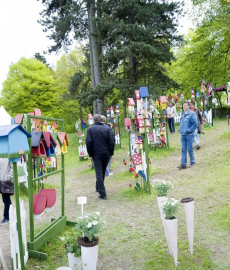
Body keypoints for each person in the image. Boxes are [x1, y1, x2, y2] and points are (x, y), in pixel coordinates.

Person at [86, 114, 115, 200]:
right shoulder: (107, 128)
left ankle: (102, 193)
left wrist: (90, 153)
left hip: (96, 154)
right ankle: (98, 188)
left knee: (99, 172)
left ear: (94, 121)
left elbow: (88, 142)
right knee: (101, 171)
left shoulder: (90, 129)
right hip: (106, 153)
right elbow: (112, 141)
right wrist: (111, 152)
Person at [177, 101, 198, 169]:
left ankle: (192, 161)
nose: (184, 106)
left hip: (189, 135)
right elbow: (182, 123)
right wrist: (180, 129)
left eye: (185, 105)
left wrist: (189, 130)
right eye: (183, 105)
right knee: (183, 149)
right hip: (183, 135)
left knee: (189, 149)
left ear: (189, 106)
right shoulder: (183, 114)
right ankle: (183, 164)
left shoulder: (192, 114)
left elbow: (195, 124)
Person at [0, 158, 13, 225]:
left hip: (6, 181)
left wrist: (8, 178)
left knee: (6, 200)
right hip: (1, 181)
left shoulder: (9, 155)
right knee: (5, 199)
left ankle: (7, 217)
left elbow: (13, 168)